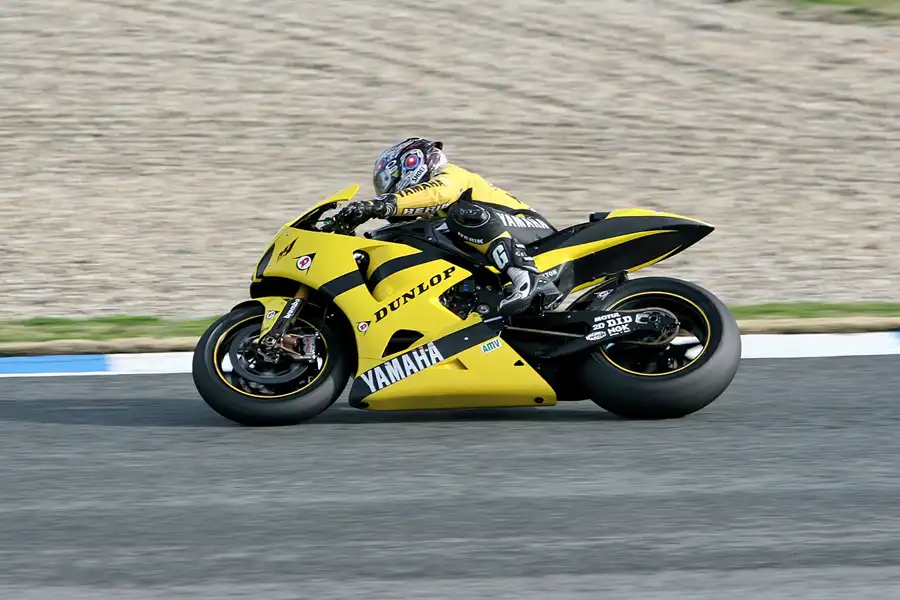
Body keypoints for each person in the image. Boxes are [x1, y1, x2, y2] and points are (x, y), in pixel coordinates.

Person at [336, 137, 561, 316]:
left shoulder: (450, 174)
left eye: (388, 182)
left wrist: (376, 206)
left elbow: (438, 193)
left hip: (534, 233)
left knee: (463, 214)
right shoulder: (432, 217)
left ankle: (529, 278)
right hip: (502, 244)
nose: (388, 189)